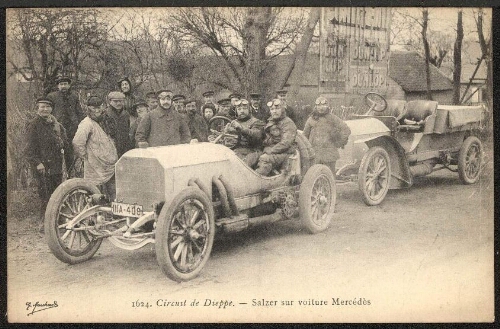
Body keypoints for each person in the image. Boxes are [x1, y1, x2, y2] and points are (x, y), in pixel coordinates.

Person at [25, 97, 68, 232]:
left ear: (51, 109)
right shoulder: (33, 124)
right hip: (42, 167)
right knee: (45, 195)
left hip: (56, 166)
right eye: (42, 107)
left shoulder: (55, 124)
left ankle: (58, 221)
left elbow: (64, 142)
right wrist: (38, 163)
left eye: (48, 107)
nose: (45, 109)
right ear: (37, 108)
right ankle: (44, 224)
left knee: (57, 193)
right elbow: (29, 149)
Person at [73, 95, 118, 200]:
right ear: (88, 108)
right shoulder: (86, 123)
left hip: (110, 165)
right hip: (95, 165)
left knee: (114, 193)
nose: (97, 110)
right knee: (95, 194)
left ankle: (114, 214)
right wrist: (85, 156)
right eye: (94, 108)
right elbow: (77, 142)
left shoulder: (106, 120)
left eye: (99, 107)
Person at [303, 96, 351, 174]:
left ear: (328, 106)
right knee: (314, 177)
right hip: (314, 155)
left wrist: (339, 142)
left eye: (323, 105)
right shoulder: (311, 119)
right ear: (315, 106)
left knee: (330, 177)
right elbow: (304, 136)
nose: (321, 108)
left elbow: (346, 130)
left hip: (329, 155)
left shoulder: (333, 118)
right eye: (318, 105)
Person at [47, 75, 85, 171]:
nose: (63, 86)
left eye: (65, 84)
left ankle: (69, 172)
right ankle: (57, 173)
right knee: (56, 152)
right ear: (58, 86)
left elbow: (79, 111)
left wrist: (82, 123)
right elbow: (48, 112)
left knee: (69, 152)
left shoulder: (74, 96)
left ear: (69, 85)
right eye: (61, 84)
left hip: (72, 128)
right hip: (57, 128)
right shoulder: (52, 96)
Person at [255, 98, 297, 176]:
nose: (274, 111)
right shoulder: (271, 122)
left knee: (264, 158)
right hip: (272, 151)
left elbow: (286, 143)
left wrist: (271, 150)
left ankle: (258, 182)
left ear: (282, 109)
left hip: (285, 153)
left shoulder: (288, 123)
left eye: (277, 108)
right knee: (253, 156)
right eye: (272, 109)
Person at [225, 98, 265, 167]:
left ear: (249, 110)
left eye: (244, 108)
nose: (242, 111)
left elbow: (257, 135)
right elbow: (227, 138)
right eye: (239, 109)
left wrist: (241, 128)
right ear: (236, 111)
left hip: (252, 151)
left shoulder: (257, 122)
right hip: (235, 150)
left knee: (241, 165)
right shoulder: (233, 122)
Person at [105, 91, 132, 157]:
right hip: (110, 147)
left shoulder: (126, 114)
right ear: (110, 101)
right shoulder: (106, 114)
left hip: (124, 146)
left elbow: (127, 130)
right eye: (115, 101)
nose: (118, 103)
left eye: (121, 101)